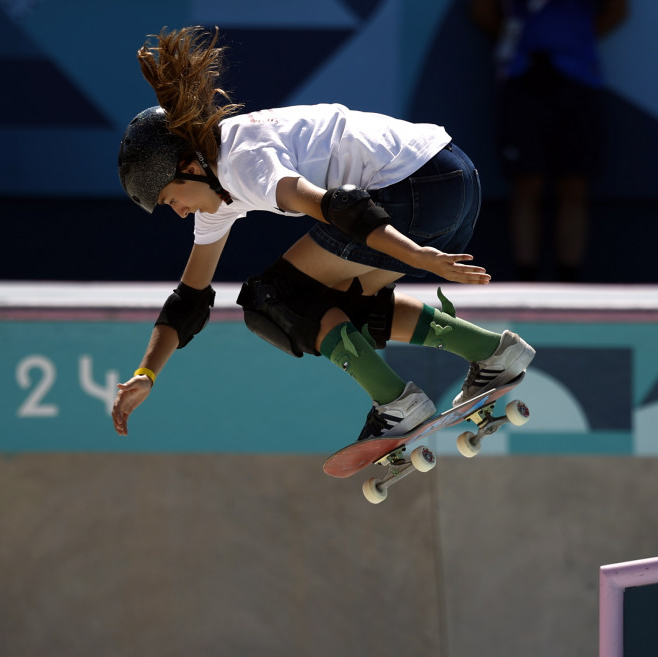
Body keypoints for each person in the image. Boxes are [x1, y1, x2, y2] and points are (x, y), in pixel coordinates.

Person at [111, 26, 535, 441]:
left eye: (172, 200)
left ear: (187, 167)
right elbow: (190, 299)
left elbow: (340, 207)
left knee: (274, 298)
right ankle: (493, 352)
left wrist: (417, 255)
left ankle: (396, 404)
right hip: (452, 181)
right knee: (334, 308)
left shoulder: (243, 163)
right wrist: (145, 374)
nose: (182, 213)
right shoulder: (219, 181)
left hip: (414, 188)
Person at [469, 0, 627, 282]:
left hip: (578, 78)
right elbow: (483, 11)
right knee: (526, 180)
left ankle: (569, 277)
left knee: (575, 181)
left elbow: (617, 9)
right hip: (522, 76)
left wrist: (571, 42)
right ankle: (526, 277)